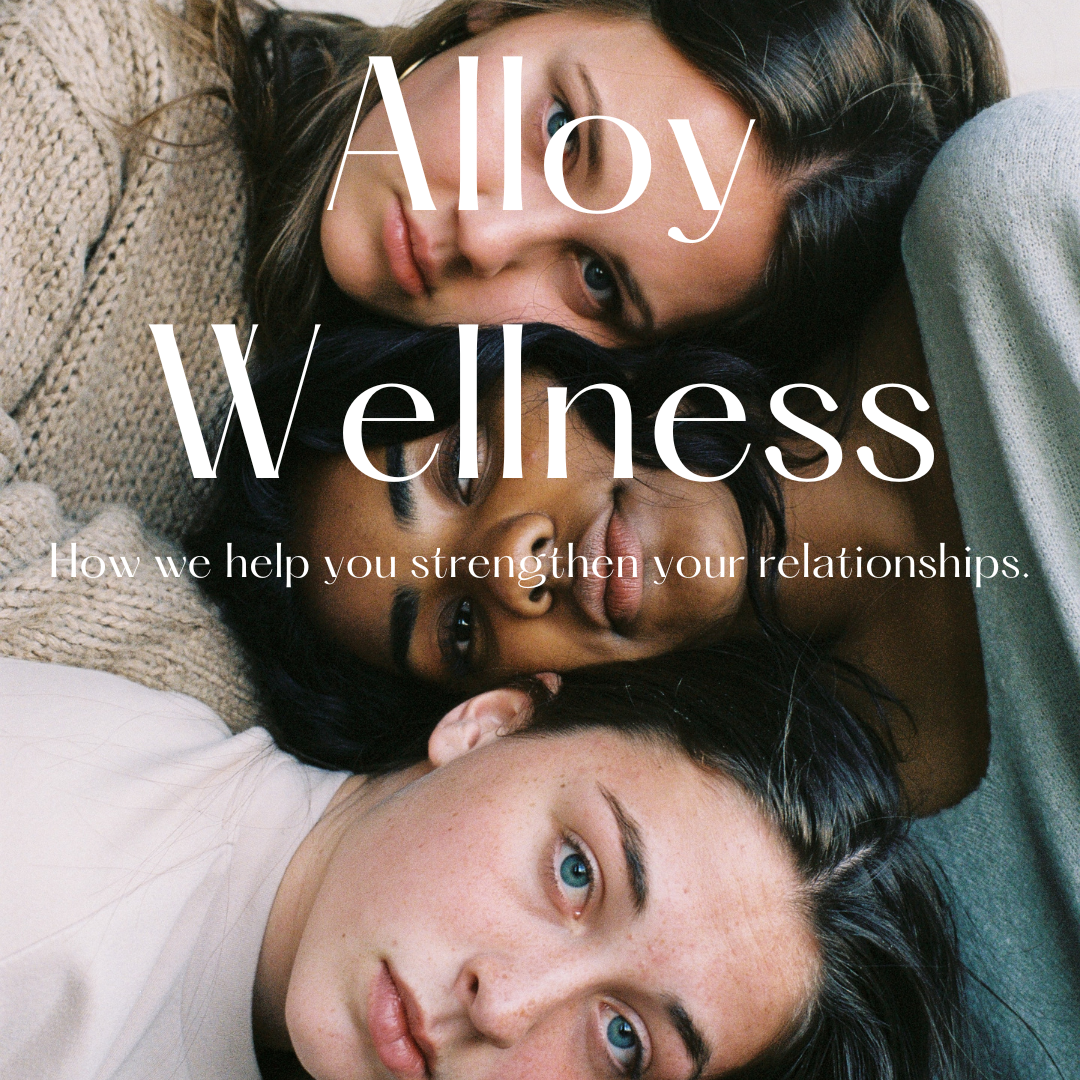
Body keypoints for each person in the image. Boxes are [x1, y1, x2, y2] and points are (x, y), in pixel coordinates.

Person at [0, 0, 1005, 543]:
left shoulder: (429, 495)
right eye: (563, 129)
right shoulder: (78, 54)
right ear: (506, 9)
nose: (486, 234)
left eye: (598, 282)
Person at [0, 641, 978, 1080]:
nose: (502, 1004)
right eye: (578, 872)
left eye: (625, 1045)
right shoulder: (46, 868)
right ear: (488, 724)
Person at [191, 312, 986, 811]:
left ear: (550, 363)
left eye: (461, 473)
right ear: (504, 710)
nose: (512, 569)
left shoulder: (992, 252)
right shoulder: (864, 862)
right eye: (460, 628)